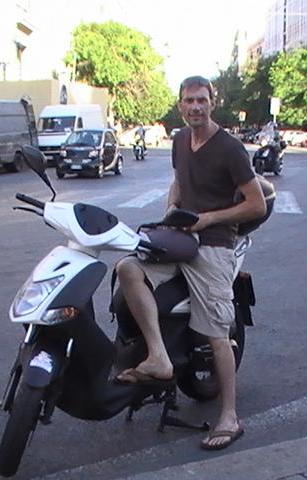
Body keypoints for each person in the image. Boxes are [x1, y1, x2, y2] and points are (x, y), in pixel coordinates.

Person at [115, 76, 266, 450]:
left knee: (216, 332)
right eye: (189, 101)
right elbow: (179, 181)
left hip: (214, 243)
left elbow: (256, 204)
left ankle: (229, 418)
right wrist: (171, 208)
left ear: (213, 102)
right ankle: (159, 357)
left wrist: (208, 219)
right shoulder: (180, 140)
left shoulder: (231, 149)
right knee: (127, 268)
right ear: (180, 104)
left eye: (201, 100)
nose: (195, 107)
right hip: (179, 236)